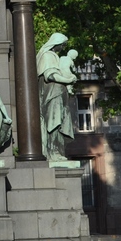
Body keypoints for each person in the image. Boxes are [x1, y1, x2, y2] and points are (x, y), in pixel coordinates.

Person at [37, 33, 77, 163]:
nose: (63, 47)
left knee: (58, 121)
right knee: (54, 122)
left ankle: (57, 151)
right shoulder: (48, 55)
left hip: (58, 93)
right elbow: (50, 75)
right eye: (63, 44)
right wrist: (68, 80)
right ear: (57, 43)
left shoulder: (54, 56)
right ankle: (52, 152)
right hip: (53, 93)